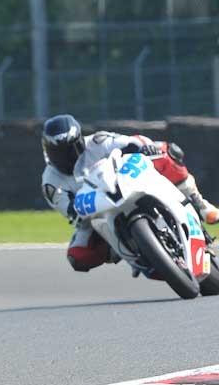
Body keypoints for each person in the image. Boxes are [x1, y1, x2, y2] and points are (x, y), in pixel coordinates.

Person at [41, 114, 219, 272]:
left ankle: (199, 204)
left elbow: (132, 142)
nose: (66, 156)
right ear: (48, 150)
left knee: (167, 152)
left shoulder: (98, 141)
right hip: (97, 210)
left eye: (71, 148)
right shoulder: (50, 182)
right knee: (77, 256)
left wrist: (146, 148)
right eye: (59, 152)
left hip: (126, 181)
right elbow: (72, 213)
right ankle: (122, 248)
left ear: (80, 140)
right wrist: (80, 209)